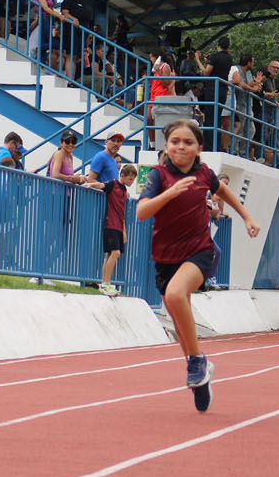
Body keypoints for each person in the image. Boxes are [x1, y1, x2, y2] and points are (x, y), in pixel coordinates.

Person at [136, 119, 261, 412]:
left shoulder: (204, 173)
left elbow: (224, 191)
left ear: (198, 148)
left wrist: (246, 217)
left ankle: (196, 361)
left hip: (199, 251)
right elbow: (142, 212)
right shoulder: (157, 175)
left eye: (188, 142)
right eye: (175, 141)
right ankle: (200, 375)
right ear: (166, 146)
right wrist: (169, 194)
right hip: (165, 255)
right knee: (179, 317)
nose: (181, 146)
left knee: (177, 296)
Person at [97, 162, 137, 297]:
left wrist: (124, 231)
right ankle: (106, 284)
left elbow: (122, 213)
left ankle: (104, 283)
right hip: (110, 224)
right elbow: (101, 185)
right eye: (130, 179)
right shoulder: (113, 184)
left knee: (110, 254)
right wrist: (90, 184)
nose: (132, 182)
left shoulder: (125, 191)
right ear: (122, 175)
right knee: (115, 253)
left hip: (119, 226)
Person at [203, 35, 233, 153]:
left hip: (212, 89)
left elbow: (206, 72)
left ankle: (209, 147)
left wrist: (197, 59)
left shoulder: (215, 57)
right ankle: (216, 146)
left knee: (209, 118)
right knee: (217, 119)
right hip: (223, 90)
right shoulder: (229, 58)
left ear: (218, 46)